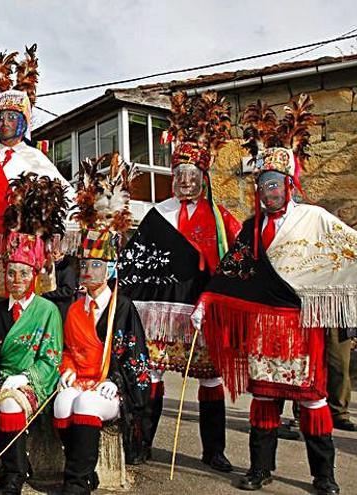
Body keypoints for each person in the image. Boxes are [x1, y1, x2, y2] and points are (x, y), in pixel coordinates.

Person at [194, 95, 357, 494]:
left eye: (274, 184)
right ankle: (261, 470)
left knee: (311, 400)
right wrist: (206, 302)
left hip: (301, 324)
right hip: (263, 327)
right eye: (262, 185)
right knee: (265, 400)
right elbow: (229, 274)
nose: (268, 191)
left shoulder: (316, 219)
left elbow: (356, 250)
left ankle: (323, 475)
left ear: (289, 185)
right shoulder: (250, 228)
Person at [117, 91, 241, 471]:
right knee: (150, 373)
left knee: (208, 379)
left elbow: (234, 265)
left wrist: (216, 300)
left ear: (204, 178)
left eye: (193, 176)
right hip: (157, 314)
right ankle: (142, 441)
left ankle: (214, 450)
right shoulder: (158, 213)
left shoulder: (221, 219)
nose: (186, 182)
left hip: (201, 312)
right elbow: (135, 264)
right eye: (180, 175)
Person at [54, 155, 151, 493]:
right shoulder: (75, 307)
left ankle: (76, 483)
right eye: (84, 265)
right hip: (79, 379)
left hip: (109, 386)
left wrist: (117, 380)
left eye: (96, 266)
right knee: (64, 403)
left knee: (87, 404)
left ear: (110, 269)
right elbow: (68, 349)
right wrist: (67, 367)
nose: (87, 271)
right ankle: (87, 469)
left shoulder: (121, 307)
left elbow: (137, 358)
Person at [0, 173, 67, 495]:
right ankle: (0, 460)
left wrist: (23, 379)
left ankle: (16, 472)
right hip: (2, 380)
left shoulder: (47, 311)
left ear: (34, 276)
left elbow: (50, 358)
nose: (15, 279)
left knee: (10, 406)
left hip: (31, 382)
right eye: (10, 272)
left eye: (23, 273)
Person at [0, 45, 74, 300]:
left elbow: (65, 196)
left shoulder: (36, 158)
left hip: (27, 252)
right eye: (0, 118)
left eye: (11, 118)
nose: (4, 123)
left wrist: (58, 237)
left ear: (23, 122)